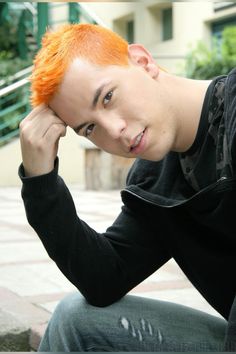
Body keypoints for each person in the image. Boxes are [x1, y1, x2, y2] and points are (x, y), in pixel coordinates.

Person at [18, 23, 236, 352]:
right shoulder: (154, 181)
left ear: (142, 61)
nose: (114, 130)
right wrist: (41, 182)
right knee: (74, 319)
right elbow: (104, 280)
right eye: (90, 128)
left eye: (108, 97)